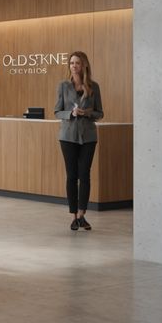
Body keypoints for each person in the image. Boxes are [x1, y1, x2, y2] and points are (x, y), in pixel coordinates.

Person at [54, 51, 103, 231]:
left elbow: (100, 113)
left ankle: (82, 215)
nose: (74, 66)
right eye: (72, 63)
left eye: (77, 63)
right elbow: (57, 111)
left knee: (85, 175)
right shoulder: (63, 86)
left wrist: (87, 113)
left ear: (84, 66)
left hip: (89, 137)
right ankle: (73, 216)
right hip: (68, 137)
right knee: (71, 176)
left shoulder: (94, 87)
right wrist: (71, 113)